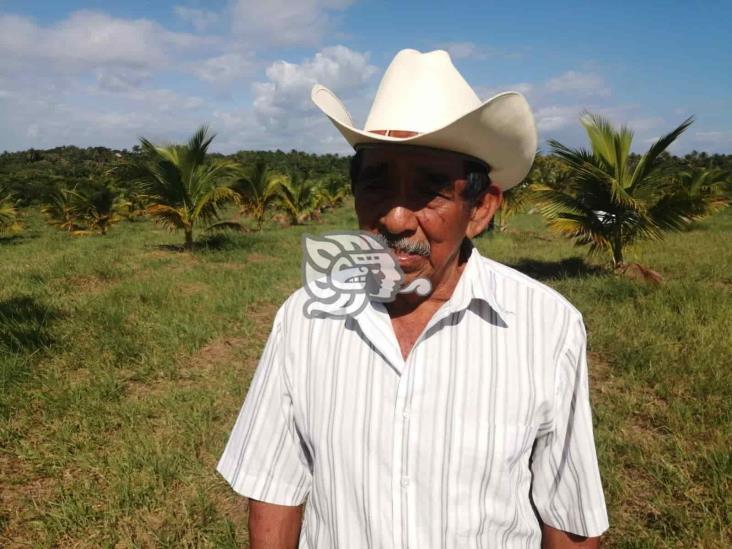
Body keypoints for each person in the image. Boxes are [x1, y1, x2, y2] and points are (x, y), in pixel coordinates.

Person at [216, 48, 609, 548]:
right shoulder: (304, 319)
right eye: (376, 183)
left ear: (482, 208)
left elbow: (568, 511)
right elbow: (274, 487)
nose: (396, 219)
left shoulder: (546, 327)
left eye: (431, 190)